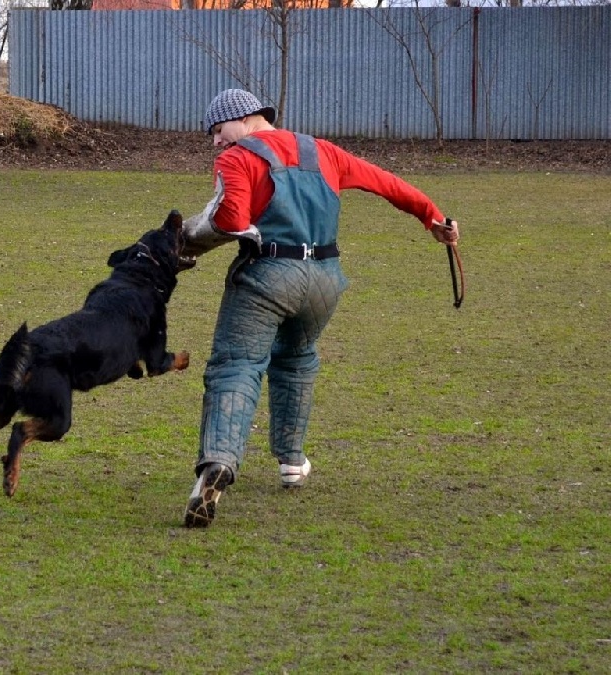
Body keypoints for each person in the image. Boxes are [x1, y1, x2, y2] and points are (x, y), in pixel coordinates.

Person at [181, 89, 460, 528]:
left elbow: (229, 220)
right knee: (295, 361)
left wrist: (182, 244)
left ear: (244, 118)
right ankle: (292, 463)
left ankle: (218, 463)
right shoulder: (321, 151)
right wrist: (434, 218)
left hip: (269, 275)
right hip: (325, 280)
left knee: (235, 366)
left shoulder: (237, 158)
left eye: (218, 131)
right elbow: (387, 183)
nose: (217, 142)